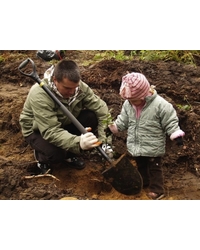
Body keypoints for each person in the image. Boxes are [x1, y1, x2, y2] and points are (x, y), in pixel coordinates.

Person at [19, 59, 113, 174]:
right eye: (68, 88)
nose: (73, 92)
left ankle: (70, 155)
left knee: (91, 117)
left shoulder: (80, 88)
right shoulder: (39, 94)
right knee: (57, 154)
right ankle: (42, 158)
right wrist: (78, 142)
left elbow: (101, 109)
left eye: (75, 87)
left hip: (63, 123)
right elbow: (50, 130)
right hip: (38, 130)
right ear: (55, 80)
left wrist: (105, 142)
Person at [107, 72, 185, 200]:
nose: (132, 102)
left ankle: (157, 189)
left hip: (153, 145)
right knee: (141, 165)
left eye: (134, 100)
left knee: (155, 168)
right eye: (129, 100)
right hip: (136, 144)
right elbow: (123, 119)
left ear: (144, 94)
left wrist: (175, 134)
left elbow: (170, 121)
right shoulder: (128, 104)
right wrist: (114, 127)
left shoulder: (161, 105)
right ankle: (144, 181)